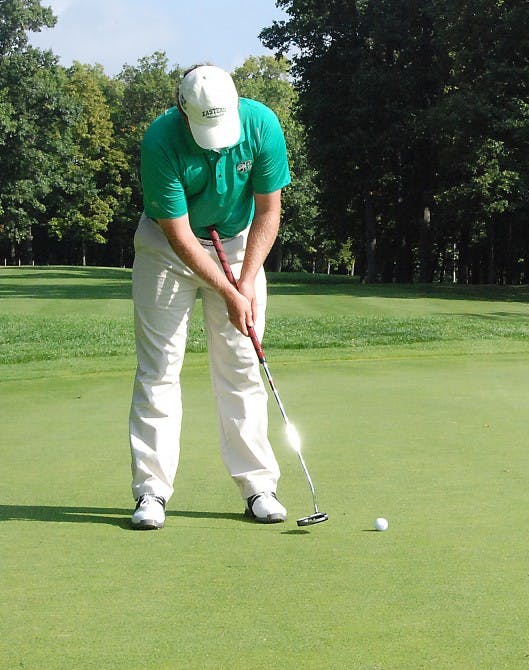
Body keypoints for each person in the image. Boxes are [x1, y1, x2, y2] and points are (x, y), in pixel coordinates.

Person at [128, 64, 291, 530]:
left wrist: (246, 281)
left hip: (239, 244)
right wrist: (226, 290)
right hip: (168, 249)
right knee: (160, 369)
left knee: (242, 364)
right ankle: (152, 492)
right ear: (183, 110)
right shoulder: (161, 139)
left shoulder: (261, 124)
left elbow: (269, 210)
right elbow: (178, 233)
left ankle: (258, 486)